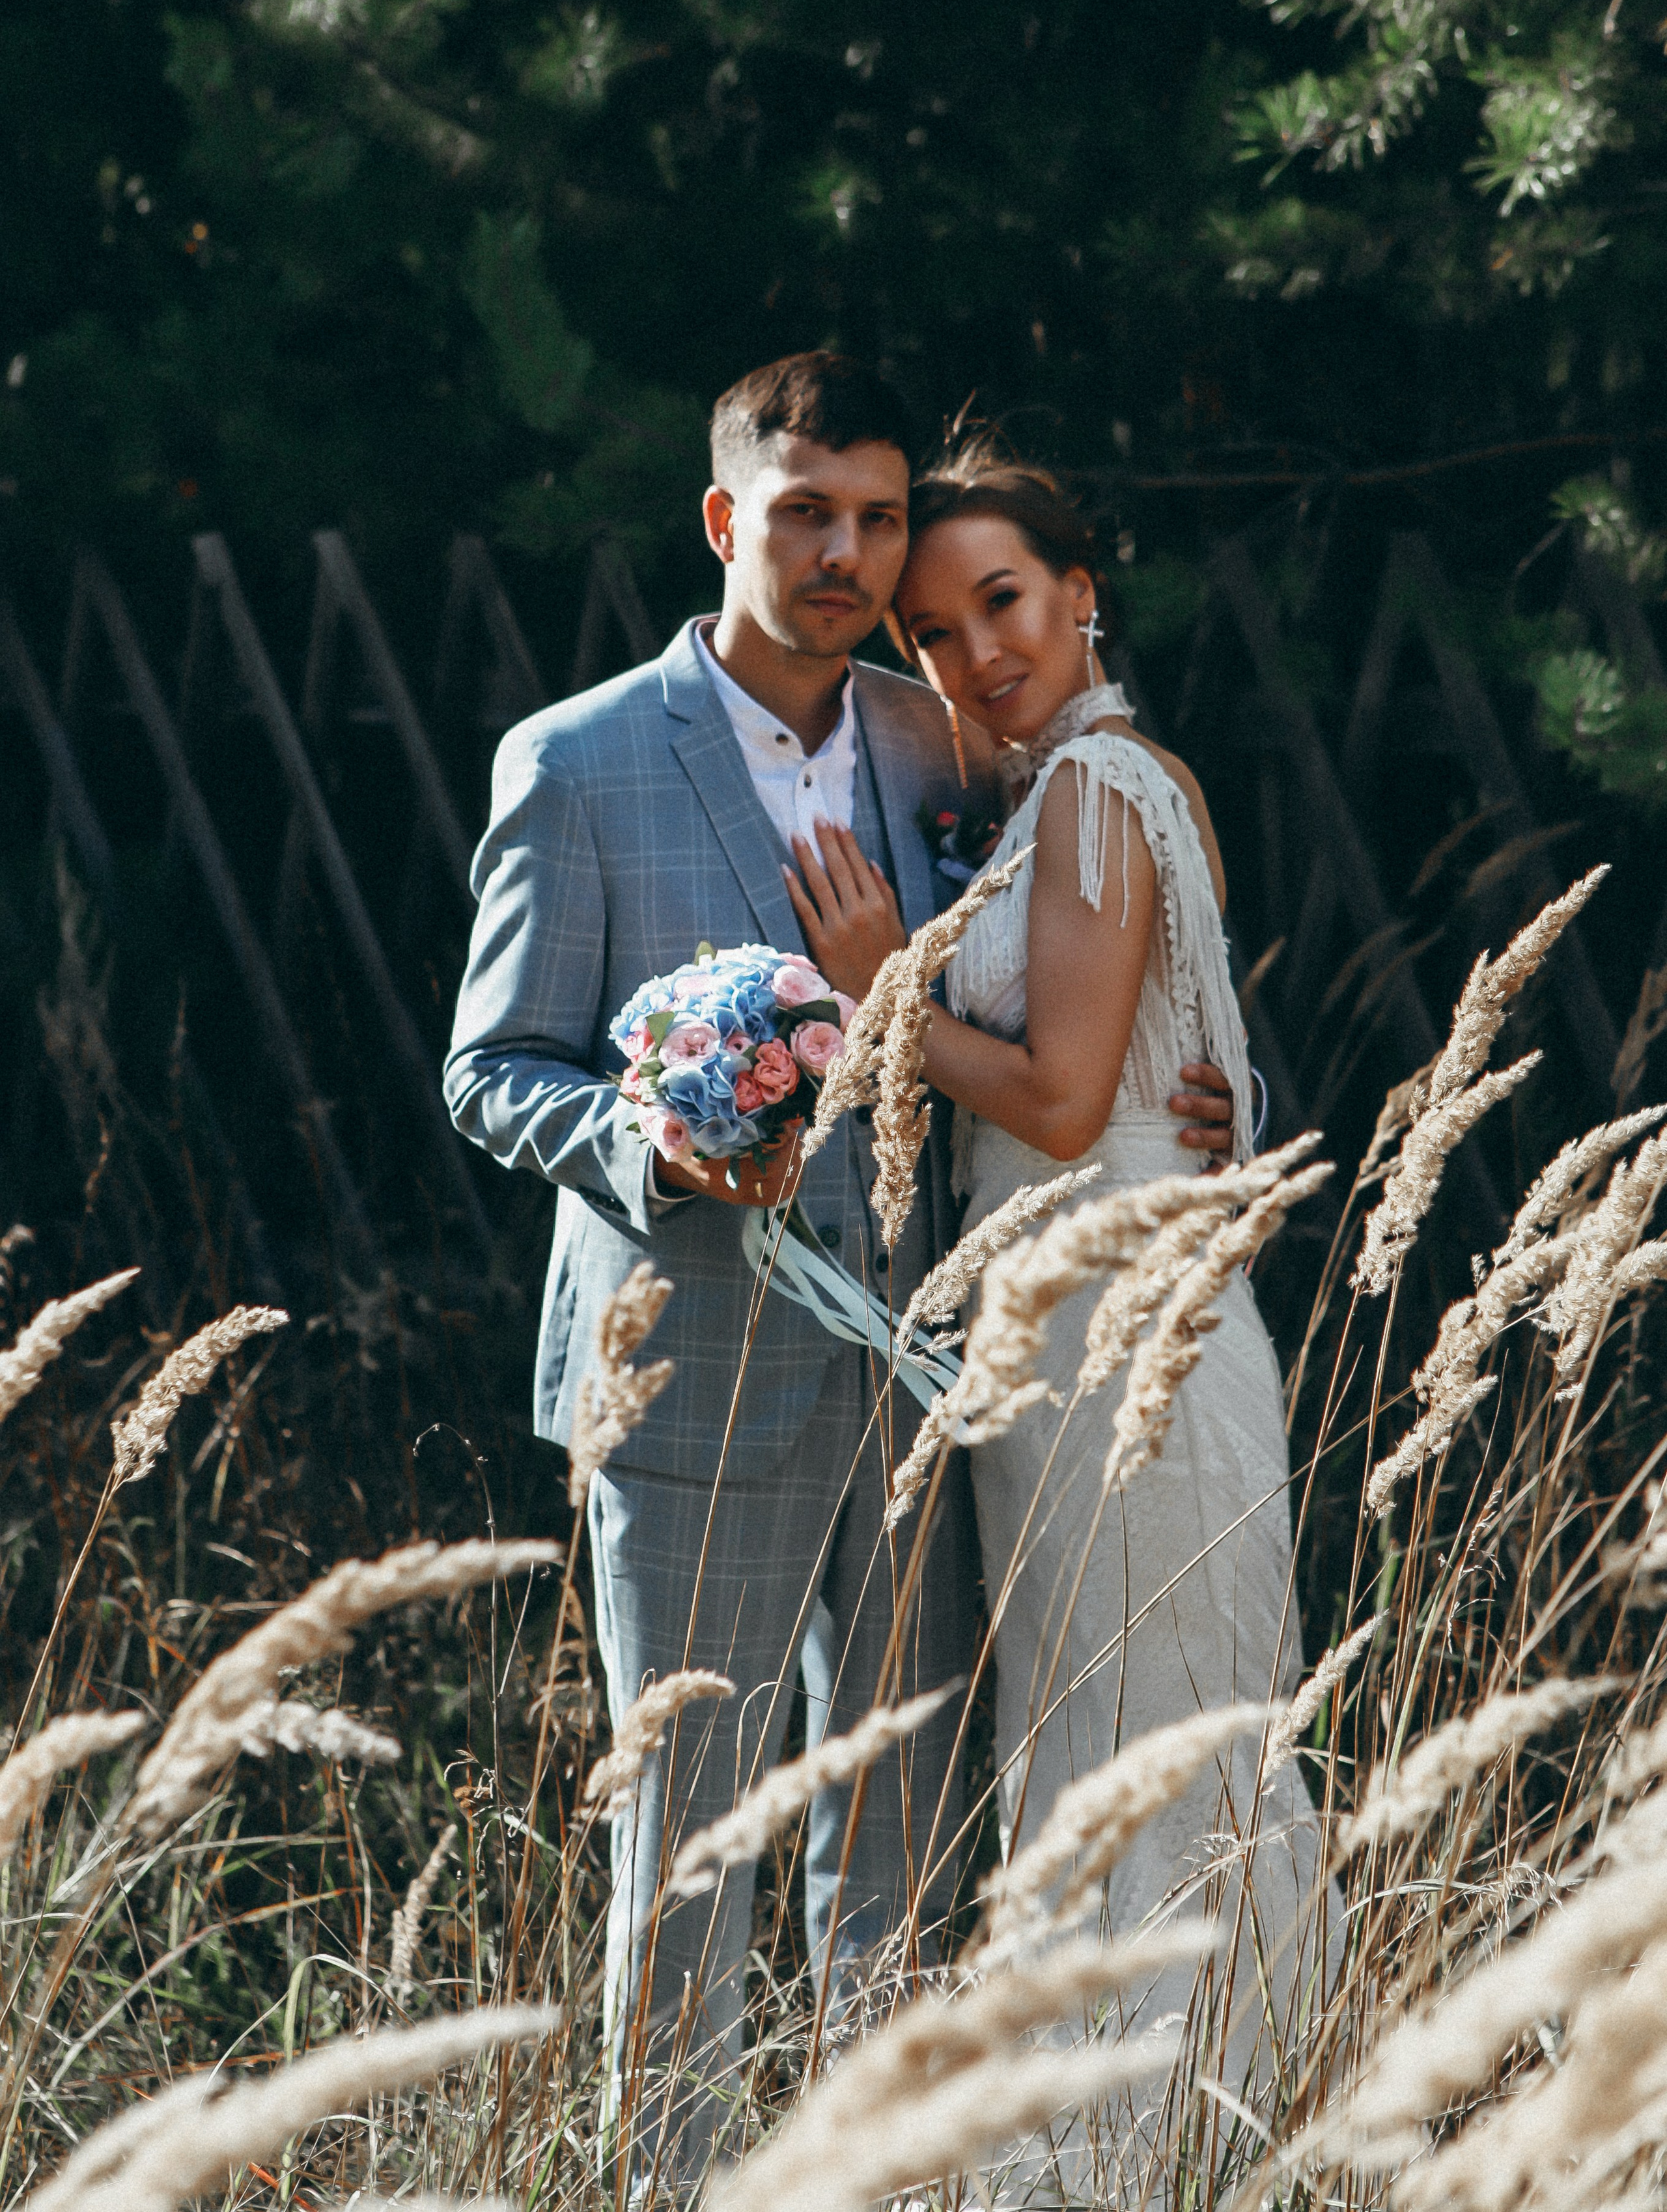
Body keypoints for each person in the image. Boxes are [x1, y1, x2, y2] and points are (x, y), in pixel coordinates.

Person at [443, 357, 1235, 2194]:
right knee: (694, 1852)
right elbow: (493, 1070)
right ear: (727, 520)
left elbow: (1105, 925)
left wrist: (1207, 1082)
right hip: (688, 1358)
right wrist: (661, 1149)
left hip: (922, 1361)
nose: (849, 554)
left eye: (879, 519)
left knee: (897, 1840)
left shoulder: (939, 736)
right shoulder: (575, 762)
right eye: (808, 514)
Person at [785, 440, 1323, 2205]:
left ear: (1087, 588)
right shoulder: (1067, 788)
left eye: (1001, 603)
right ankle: (1162, 2146)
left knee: (1143, 1751)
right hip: (1083, 1341)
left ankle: (1152, 2156)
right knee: (1104, 1748)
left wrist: (879, 997)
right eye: (934, 635)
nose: (972, 657)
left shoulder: (1096, 785)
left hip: (1124, 1353)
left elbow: (1075, 1092)